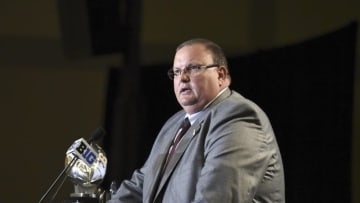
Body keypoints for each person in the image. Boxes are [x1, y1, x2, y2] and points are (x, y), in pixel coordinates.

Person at [107, 38, 285, 203]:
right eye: (177, 71)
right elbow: (143, 185)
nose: (182, 78)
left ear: (221, 75)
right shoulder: (174, 124)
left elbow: (215, 198)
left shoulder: (238, 118)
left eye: (193, 68)